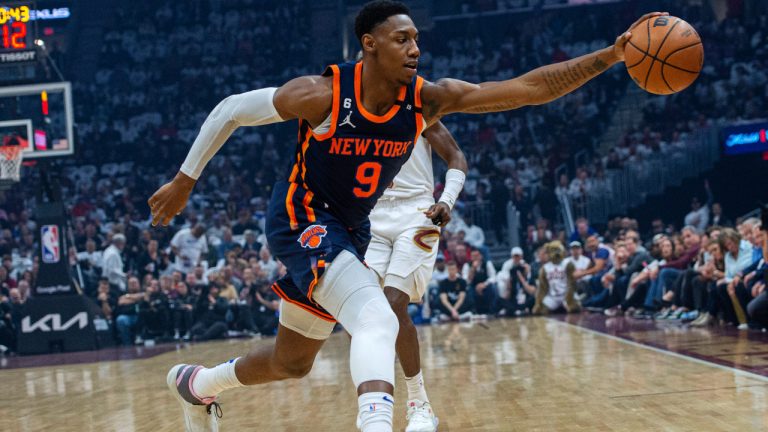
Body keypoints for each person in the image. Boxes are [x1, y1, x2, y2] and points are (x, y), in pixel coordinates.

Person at [148, 2, 663, 430]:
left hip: (352, 228)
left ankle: (197, 384)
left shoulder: (428, 101)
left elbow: (529, 89)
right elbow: (233, 108)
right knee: (377, 315)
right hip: (302, 219)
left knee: (292, 362)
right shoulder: (323, 94)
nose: (416, 48)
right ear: (370, 44)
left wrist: (613, 55)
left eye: (417, 39)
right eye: (402, 39)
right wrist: (185, 179)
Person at [365, 119, 466, 431]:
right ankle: (375, 408)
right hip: (369, 215)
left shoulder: (417, 107)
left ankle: (419, 405)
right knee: (366, 312)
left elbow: (456, 156)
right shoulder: (348, 112)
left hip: (418, 213)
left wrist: (446, 199)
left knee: (394, 302)